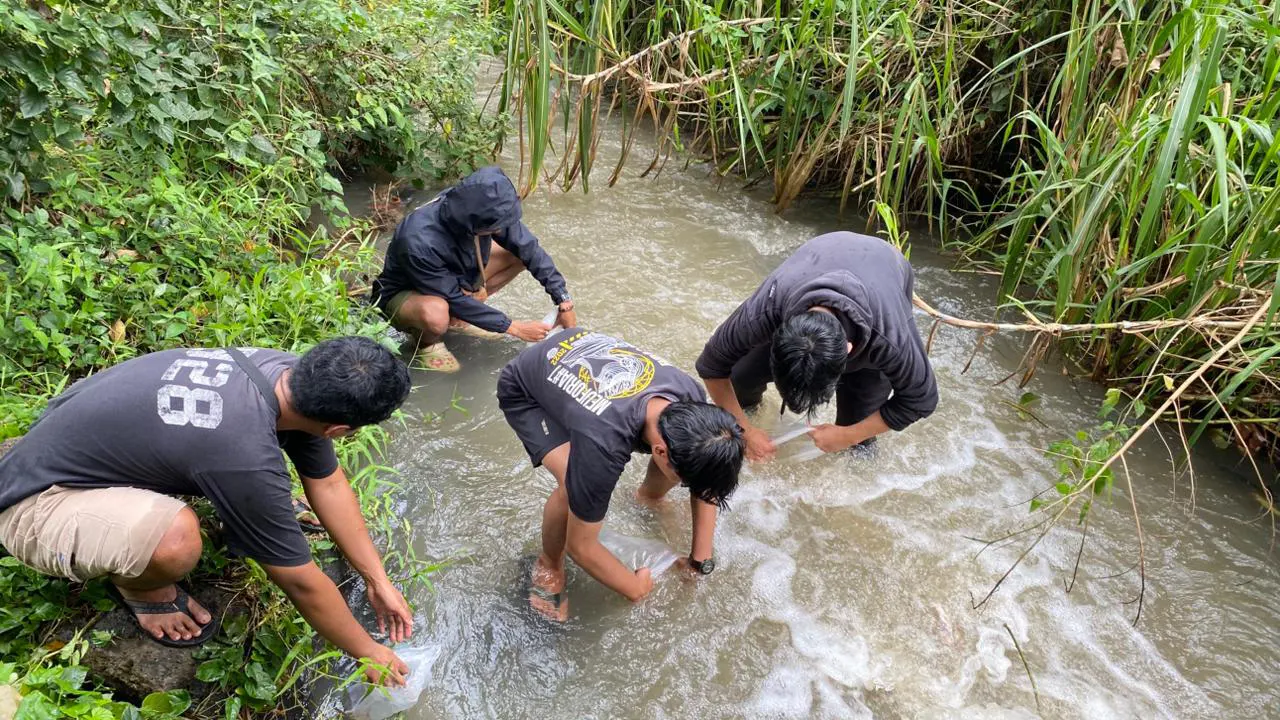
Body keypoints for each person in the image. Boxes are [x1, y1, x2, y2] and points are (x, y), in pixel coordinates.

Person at [0, 337, 416, 686]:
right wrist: (369, 651)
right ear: (339, 431)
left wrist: (375, 578)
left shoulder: (285, 374)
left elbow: (327, 482)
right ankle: (142, 589)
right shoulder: (244, 451)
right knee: (176, 539)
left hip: (63, 447)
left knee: (244, 492)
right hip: (35, 502)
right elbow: (300, 581)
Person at [497, 329, 745, 621]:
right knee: (570, 483)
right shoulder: (604, 444)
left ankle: (648, 498)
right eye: (689, 484)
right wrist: (634, 588)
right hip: (526, 388)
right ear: (660, 453)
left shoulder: (691, 398)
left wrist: (700, 560)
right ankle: (548, 564)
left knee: (685, 463)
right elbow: (581, 547)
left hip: (575, 351)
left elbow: (705, 481)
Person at [696, 232, 938, 461]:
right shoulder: (767, 309)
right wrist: (744, 430)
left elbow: (921, 399)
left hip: (885, 266)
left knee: (858, 437)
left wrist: (848, 435)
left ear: (848, 349)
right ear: (777, 336)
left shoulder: (889, 337)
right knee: (742, 378)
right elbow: (711, 365)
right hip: (818, 257)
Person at [371, 166, 577, 372]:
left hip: (454, 278)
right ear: (474, 223)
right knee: (436, 313)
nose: (500, 230)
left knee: (517, 254)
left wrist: (563, 300)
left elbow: (529, 248)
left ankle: (460, 319)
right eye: (495, 227)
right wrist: (514, 327)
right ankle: (426, 342)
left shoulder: (483, 207)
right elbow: (452, 297)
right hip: (407, 293)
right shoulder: (418, 241)